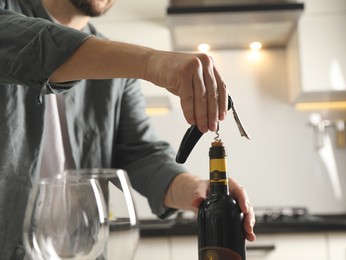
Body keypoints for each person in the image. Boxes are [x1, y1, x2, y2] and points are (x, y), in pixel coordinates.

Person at [0, 0, 256, 259]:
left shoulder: (119, 69)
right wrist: (151, 62)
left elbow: (141, 154)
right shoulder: (7, 11)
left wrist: (195, 189)